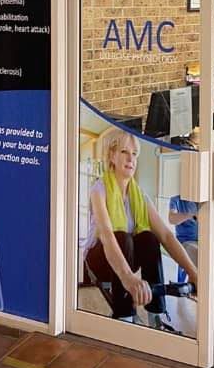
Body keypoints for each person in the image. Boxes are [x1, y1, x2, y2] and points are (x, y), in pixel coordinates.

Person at [83, 128, 198, 329]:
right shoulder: (99, 190)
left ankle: (156, 315)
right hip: (98, 260)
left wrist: (195, 274)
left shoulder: (139, 195)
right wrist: (128, 278)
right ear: (111, 156)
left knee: (149, 238)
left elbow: (166, 236)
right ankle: (124, 316)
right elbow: (108, 237)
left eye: (134, 154)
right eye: (124, 152)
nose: (131, 159)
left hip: (125, 256)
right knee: (122, 237)